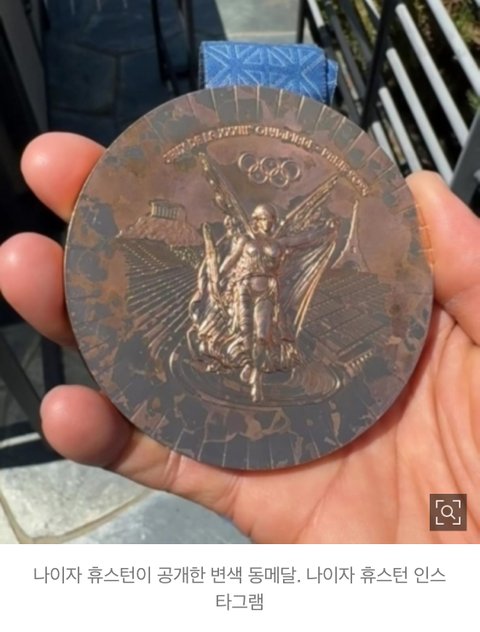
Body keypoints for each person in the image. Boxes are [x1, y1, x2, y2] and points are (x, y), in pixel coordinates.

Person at [0, 132, 479, 543]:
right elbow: (227, 260)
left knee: (260, 333)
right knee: (241, 330)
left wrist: (325, 232)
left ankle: (254, 376)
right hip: (239, 291)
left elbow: (304, 242)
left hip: (266, 292)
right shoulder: (247, 239)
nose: (265, 225)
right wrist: (217, 276)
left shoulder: (277, 242)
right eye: (262, 221)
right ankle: (244, 371)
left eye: (269, 221)